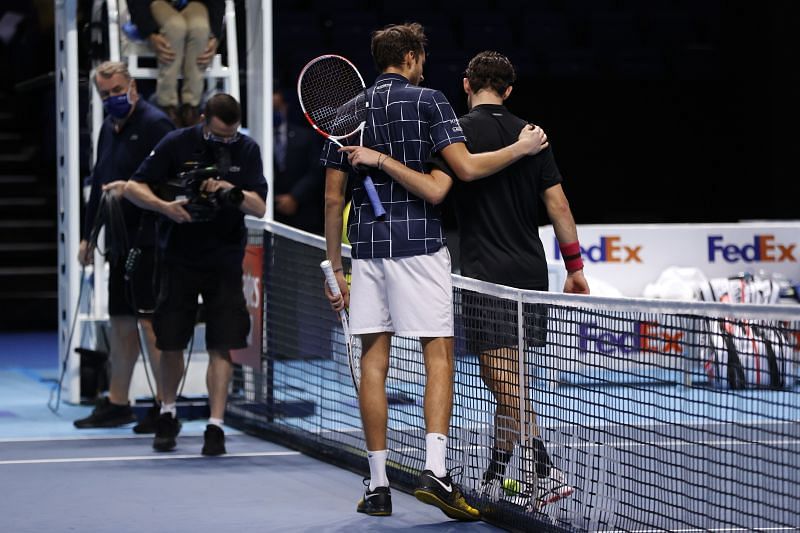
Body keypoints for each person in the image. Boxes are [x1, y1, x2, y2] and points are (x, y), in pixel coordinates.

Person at [342, 50, 590, 511]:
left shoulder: (455, 130)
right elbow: (559, 206)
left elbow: (449, 182)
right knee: (510, 380)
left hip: (486, 273)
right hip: (529, 273)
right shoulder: (531, 135)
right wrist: (574, 268)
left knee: (506, 385)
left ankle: (545, 470)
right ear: (509, 89)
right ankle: (497, 475)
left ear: (466, 84)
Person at [124, 93, 267, 455]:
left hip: (224, 260)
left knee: (222, 345)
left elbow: (260, 207)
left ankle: (215, 426)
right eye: (219, 136)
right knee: (171, 341)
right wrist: (164, 207)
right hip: (178, 258)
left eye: (230, 136)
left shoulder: (247, 149)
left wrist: (228, 189)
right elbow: (132, 187)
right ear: (204, 119)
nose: (225, 142)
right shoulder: (176, 142)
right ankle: (168, 414)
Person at [74, 60, 175, 433]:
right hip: (119, 241)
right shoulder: (107, 129)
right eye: (105, 94)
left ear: (132, 86)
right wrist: (88, 236)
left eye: (117, 91)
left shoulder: (155, 125)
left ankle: (165, 407)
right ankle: (118, 402)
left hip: (150, 240)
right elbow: (98, 183)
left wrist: (131, 191)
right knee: (120, 322)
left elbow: (170, 185)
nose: (112, 98)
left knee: (149, 324)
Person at [127, 0, 224, 127]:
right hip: (157, 3)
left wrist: (216, 37)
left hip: (195, 4)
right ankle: (167, 105)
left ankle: (191, 107)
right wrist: (150, 34)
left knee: (200, 29)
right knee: (175, 27)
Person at [272, 87, 325, 235]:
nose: (274, 113)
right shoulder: (255, 138)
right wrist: (275, 198)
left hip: (303, 213)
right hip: (270, 211)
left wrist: (294, 197)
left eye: (277, 108)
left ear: (285, 107)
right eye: (270, 109)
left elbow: (316, 171)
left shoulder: (306, 136)